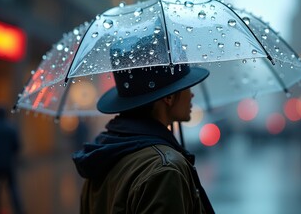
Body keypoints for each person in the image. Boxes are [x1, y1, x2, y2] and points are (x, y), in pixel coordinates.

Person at [72, 63, 215, 213]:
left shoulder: (102, 155)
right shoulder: (165, 168)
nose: (192, 94)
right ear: (169, 97)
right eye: (186, 86)